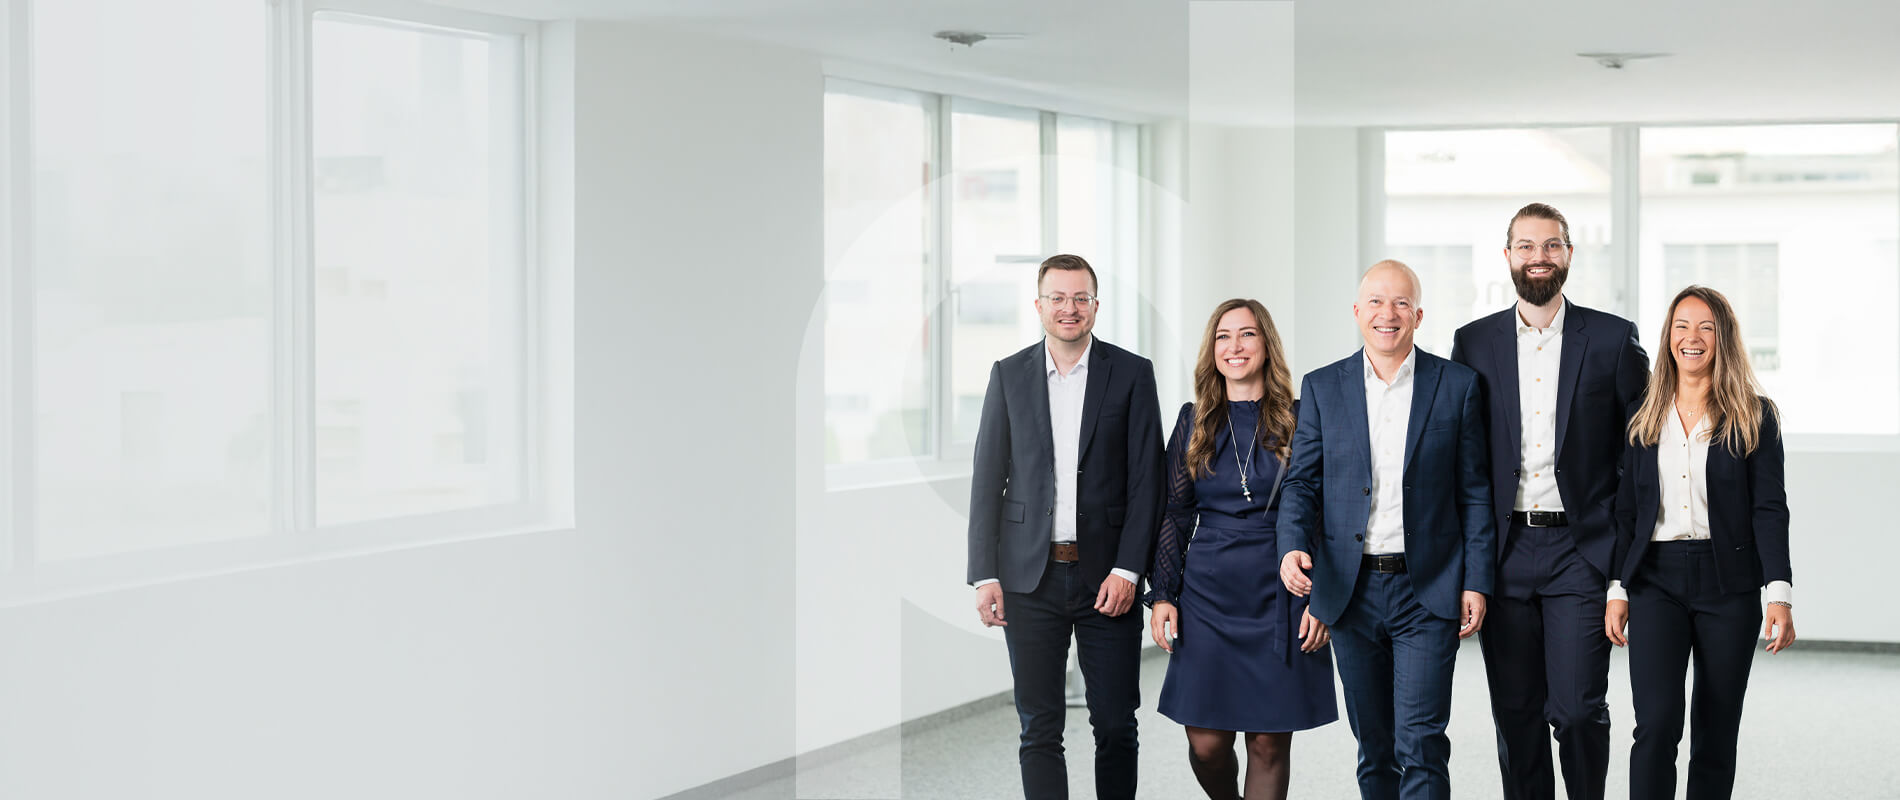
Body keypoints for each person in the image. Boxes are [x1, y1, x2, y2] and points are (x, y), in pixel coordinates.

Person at [1449, 202, 1649, 800]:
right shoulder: (1473, 342)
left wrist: (1621, 571)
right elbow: (1462, 458)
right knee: (1517, 715)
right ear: (1507, 255)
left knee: (1580, 709)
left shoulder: (1613, 338)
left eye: (1552, 245)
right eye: (1527, 245)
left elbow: (1638, 452)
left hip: (1580, 551)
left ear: (1568, 254)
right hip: (1504, 548)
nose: (1539, 257)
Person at [1276, 260, 1495, 800]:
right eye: (1375, 301)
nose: (1387, 313)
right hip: (1351, 592)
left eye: (1400, 303)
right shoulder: (1323, 387)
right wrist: (1291, 546)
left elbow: (1474, 491)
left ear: (1418, 315)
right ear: (1357, 312)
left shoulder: (1458, 385)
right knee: (1374, 746)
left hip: (1429, 590)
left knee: (1420, 742)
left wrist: (1477, 580)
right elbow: (1302, 483)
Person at [967, 253, 1166, 800]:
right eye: (1057, 297)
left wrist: (1130, 570)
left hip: (1109, 579)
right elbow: (987, 481)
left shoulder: (1131, 373)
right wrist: (985, 574)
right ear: (1039, 306)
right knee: (1039, 728)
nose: (1069, 308)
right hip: (1029, 579)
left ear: (1096, 306)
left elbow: (1148, 482)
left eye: (1080, 298)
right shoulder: (1008, 375)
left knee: (1117, 726)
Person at [1604, 285, 1794, 800]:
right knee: (1657, 723)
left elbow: (1769, 508)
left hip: (1728, 583)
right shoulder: (1643, 412)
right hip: (1654, 580)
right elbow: (1627, 510)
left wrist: (1779, 593)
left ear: (1723, 339)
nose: (1692, 338)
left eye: (1706, 327)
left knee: (1715, 730)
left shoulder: (1755, 414)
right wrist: (1617, 588)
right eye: (1682, 326)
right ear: (1668, 337)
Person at [1147, 298, 1338, 800]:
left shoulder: (1301, 418)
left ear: (1267, 344)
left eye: (1247, 334)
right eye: (1223, 336)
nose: (1235, 346)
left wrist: (1324, 599)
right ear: (1212, 351)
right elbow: (1173, 511)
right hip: (1208, 593)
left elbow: (1325, 513)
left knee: (1268, 743)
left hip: (1284, 590)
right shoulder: (1195, 421)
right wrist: (1163, 592)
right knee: (1206, 742)